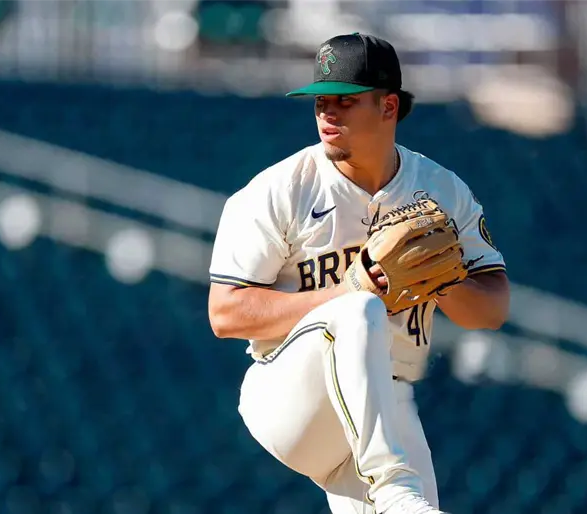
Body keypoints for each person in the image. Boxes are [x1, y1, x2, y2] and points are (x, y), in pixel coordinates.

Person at [207, 33, 510, 514]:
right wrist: (347, 290)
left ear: (388, 106)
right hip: (291, 397)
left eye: (344, 101)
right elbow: (224, 313)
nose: (327, 114)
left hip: (382, 401)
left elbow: (492, 309)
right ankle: (391, 485)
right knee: (357, 310)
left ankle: (394, 490)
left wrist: (446, 281)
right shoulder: (281, 190)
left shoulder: (441, 191)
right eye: (320, 101)